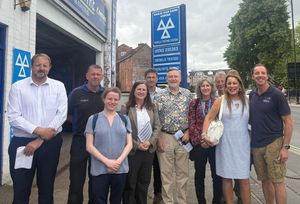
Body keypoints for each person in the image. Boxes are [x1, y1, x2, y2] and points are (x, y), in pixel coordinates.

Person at [7, 53, 68, 203]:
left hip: (50, 144)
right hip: (23, 144)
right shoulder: (18, 87)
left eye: (45, 65)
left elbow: (61, 115)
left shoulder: (58, 86)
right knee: (21, 189)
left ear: (50, 67)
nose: (41, 68)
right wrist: (39, 131)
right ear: (31, 67)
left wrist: (40, 139)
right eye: (38, 65)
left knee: (47, 188)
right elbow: (14, 117)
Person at [203, 70, 251, 204]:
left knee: (244, 180)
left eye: (234, 83)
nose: (232, 86)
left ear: (240, 85)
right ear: (226, 86)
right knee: (227, 178)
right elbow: (208, 118)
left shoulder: (247, 100)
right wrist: (204, 134)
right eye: (229, 83)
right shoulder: (221, 100)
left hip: (243, 146)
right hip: (225, 145)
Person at [250, 64, 293, 204]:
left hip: (273, 143)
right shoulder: (252, 95)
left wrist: (285, 147)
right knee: (264, 180)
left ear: (267, 76)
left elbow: (288, 122)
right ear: (253, 76)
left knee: (278, 181)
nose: (260, 75)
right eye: (257, 73)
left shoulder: (277, 95)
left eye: (263, 73)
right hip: (256, 145)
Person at [85, 87, 132, 204]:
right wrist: (108, 162)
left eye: (116, 99)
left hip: (120, 168)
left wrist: (117, 162)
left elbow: (129, 144)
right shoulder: (93, 119)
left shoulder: (125, 119)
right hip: (99, 168)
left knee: (116, 200)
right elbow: (89, 146)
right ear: (104, 99)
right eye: (109, 98)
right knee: (99, 200)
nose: (112, 102)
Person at [155, 68, 193, 204]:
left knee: (183, 174)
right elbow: (156, 118)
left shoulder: (188, 94)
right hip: (165, 137)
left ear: (180, 78)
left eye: (175, 76)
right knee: (166, 175)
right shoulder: (159, 96)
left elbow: (192, 116)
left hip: (184, 138)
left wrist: (189, 132)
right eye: (170, 76)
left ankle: (182, 201)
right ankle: (168, 202)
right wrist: (158, 138)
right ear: (166, 79)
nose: (173, 79)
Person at [67, 64, 105, 204]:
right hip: (80, 142)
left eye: (98, 74)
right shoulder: (76, 93)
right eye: (93, 74)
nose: (95, 76)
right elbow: (68, 115)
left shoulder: (105, 94)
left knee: (96, 179)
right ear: (87, 76)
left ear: (102, 76)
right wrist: (81, 126)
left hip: (100, 143)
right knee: (76, 181)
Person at [122, 81, 161, 204]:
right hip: (133, 150)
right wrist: (137, 144)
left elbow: (157, 126)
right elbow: (123, 130)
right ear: (134, 91)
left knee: (144, 182)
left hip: (148, 151)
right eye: (138, 89)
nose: (141, 92)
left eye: (144, 90)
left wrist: (150, 142)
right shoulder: (126, 108)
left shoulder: (152, 107)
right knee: (131, 182)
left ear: (147, 92)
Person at [188, 76, 222, 204]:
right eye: (203, 86)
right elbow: (191, 122)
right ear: (199, 88)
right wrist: (202, 140)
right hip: (199, 144)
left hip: (214, 144)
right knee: (199, 175)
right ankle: (201, 201)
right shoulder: (194, 103)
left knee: (217, 175)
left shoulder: (217, 102)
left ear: (211, 88)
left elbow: (220, 123)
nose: (205, 88)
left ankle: (216, 201)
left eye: (208, 85)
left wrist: (211, 140)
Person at [214, 70, 241, 204]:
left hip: (238, 141)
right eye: (217, 82)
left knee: (240, 174)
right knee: (223, 174)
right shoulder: (215, 98)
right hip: (220, 140)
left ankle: (239, 196)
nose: (220, 84)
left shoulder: (238, 97)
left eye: (222, 81)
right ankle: (224, 197)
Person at [144, 68, 163, 203]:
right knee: (145, 167)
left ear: (157, 79)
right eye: (149, 77)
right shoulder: (141, 92)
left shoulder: (162, 94)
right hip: (144, 134)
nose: (151, 79)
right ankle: (142, 194)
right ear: (145, 79)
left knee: (158, 165)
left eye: (153, 77)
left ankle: (158, 194)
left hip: (159, 133)